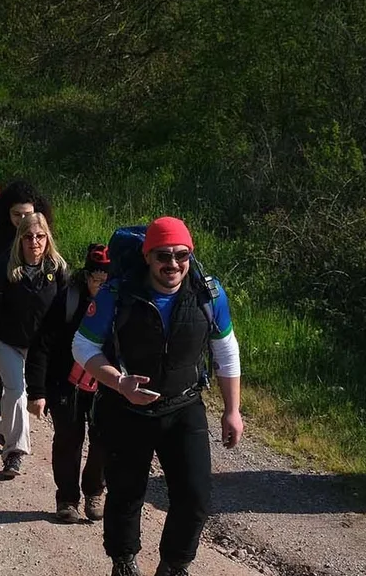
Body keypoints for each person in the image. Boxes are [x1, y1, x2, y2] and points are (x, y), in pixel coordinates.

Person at [72, 217, 243, 576]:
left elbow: (226, 351)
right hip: (126, 408)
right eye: (163, 255)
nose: (173, 264)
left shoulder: (208, 294)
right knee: (125, 494)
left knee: (195, 497)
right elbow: (83, 346)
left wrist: (232, 411)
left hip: (183, 407)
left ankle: (173, 565)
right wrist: (119, 383)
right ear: (147, 256)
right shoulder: (117, 294)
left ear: (190, 256)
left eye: (181, 255)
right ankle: (123, 562)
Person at [0, 212, 68, 478]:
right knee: (17, 391)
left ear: (47, 239)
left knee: (19, 396)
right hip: (6, 342)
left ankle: (6, 428)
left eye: (40, 237)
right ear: (20, 239)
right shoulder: (5, 269)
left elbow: (66, 313)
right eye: (28, 237)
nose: (34, 242)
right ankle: (14, 453)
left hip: (41, 348)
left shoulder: (58, 270)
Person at [26, 244, 110, 524]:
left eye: (107, 280)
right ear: (86, 277)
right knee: (68, 441)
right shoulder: (68, 300)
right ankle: (67, 499)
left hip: (104, 387)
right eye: (97, 280)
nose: (102, 286)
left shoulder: (119, 305)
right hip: (66, 383)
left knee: (103, 440)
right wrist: (37, 391)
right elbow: (42, 345)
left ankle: (94, 491)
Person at [0, 180, 55, 434]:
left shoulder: (41, 241)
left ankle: (8, 422)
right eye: (16, 214)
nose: (22, 219)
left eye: (27, 214)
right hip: (0, 315)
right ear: (6, 213)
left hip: (32, 323)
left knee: (21, 380)